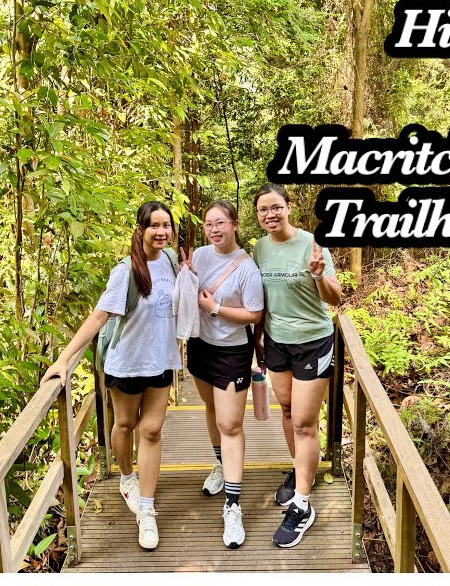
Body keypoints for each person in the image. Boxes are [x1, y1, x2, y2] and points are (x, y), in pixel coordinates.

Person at [42, 201, 182, 551]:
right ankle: (126, 476)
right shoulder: (126, 272)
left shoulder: (171, 261)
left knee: (151, 430)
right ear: (141, 229)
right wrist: (64, 358)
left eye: (166, 225)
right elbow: (98, 317)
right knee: (124, 426)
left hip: (162, 360)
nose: (161, 232)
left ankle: (147, 509)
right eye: (154, 226)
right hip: (127, 363)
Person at [251, 183, 344, 548]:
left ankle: (303, 504)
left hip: (312, 341)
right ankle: (301, 469)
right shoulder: (259, 248)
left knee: (305, 421)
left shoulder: (311, 244)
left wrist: (319, 274)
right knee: (288, 411)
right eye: (263, 210)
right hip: (276, 343)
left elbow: (335, 298)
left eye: (276, 207)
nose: (270, 215)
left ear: (288, 207)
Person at [183, 201, 264, 549]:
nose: (214, 229)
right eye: (208, 224)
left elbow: (255, 314)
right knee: (212, 409)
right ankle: (219, 465)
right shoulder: (199, 256)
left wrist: (214, 307)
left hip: (232, 352)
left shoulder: (248, 268)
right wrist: (185, 273)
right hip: (201, 346)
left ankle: (233, 506)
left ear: (234, 224)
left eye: (220, 223)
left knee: (231, 424)